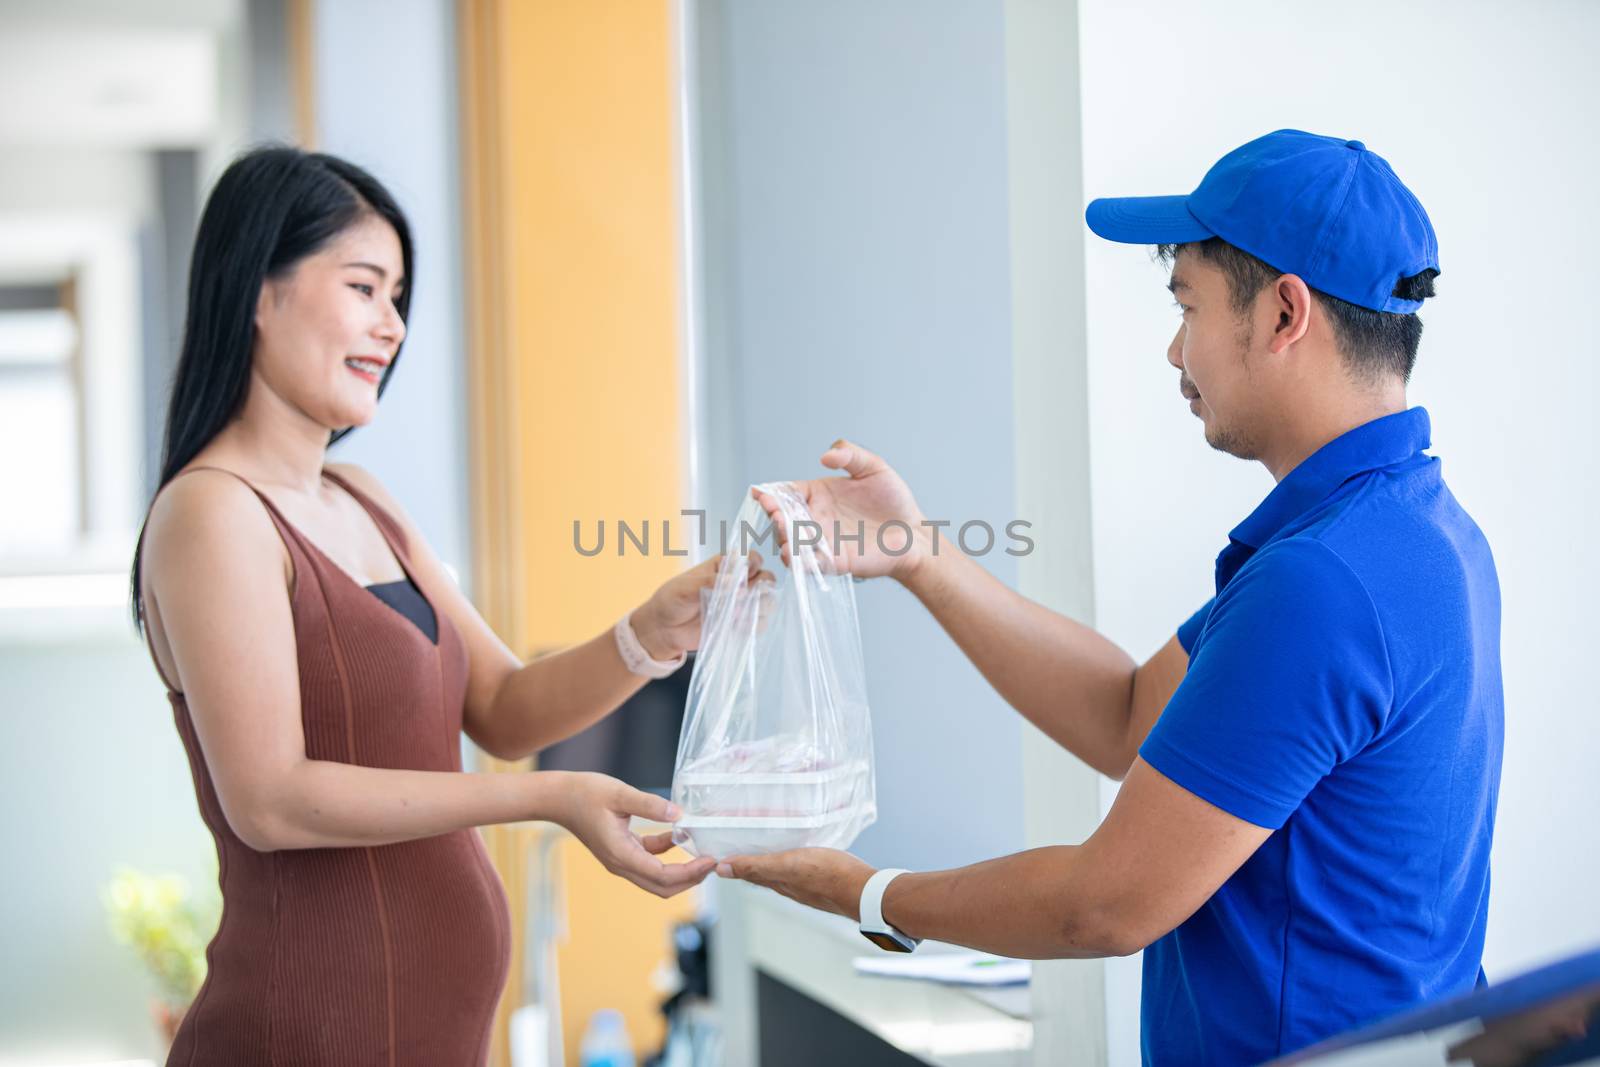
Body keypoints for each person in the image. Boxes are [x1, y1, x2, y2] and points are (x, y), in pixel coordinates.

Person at [720, 130, 1504, 1063]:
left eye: (1190, 307)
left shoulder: (1321, 584)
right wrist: (916, 552)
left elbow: (1108, 902)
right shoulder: (1411, 531)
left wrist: (866, 893)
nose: (1176, 351)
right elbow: (1131, 712)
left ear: (1285, 313)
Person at [130, 146, 746, 1064]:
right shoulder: (212, 513)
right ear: (258, 290)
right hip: (309, 1031)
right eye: (365, 287)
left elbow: (504, 706)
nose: (392, 325)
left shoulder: (364, 499)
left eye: (399, 298)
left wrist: (650, 631)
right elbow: (270, 799)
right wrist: (551, 796)